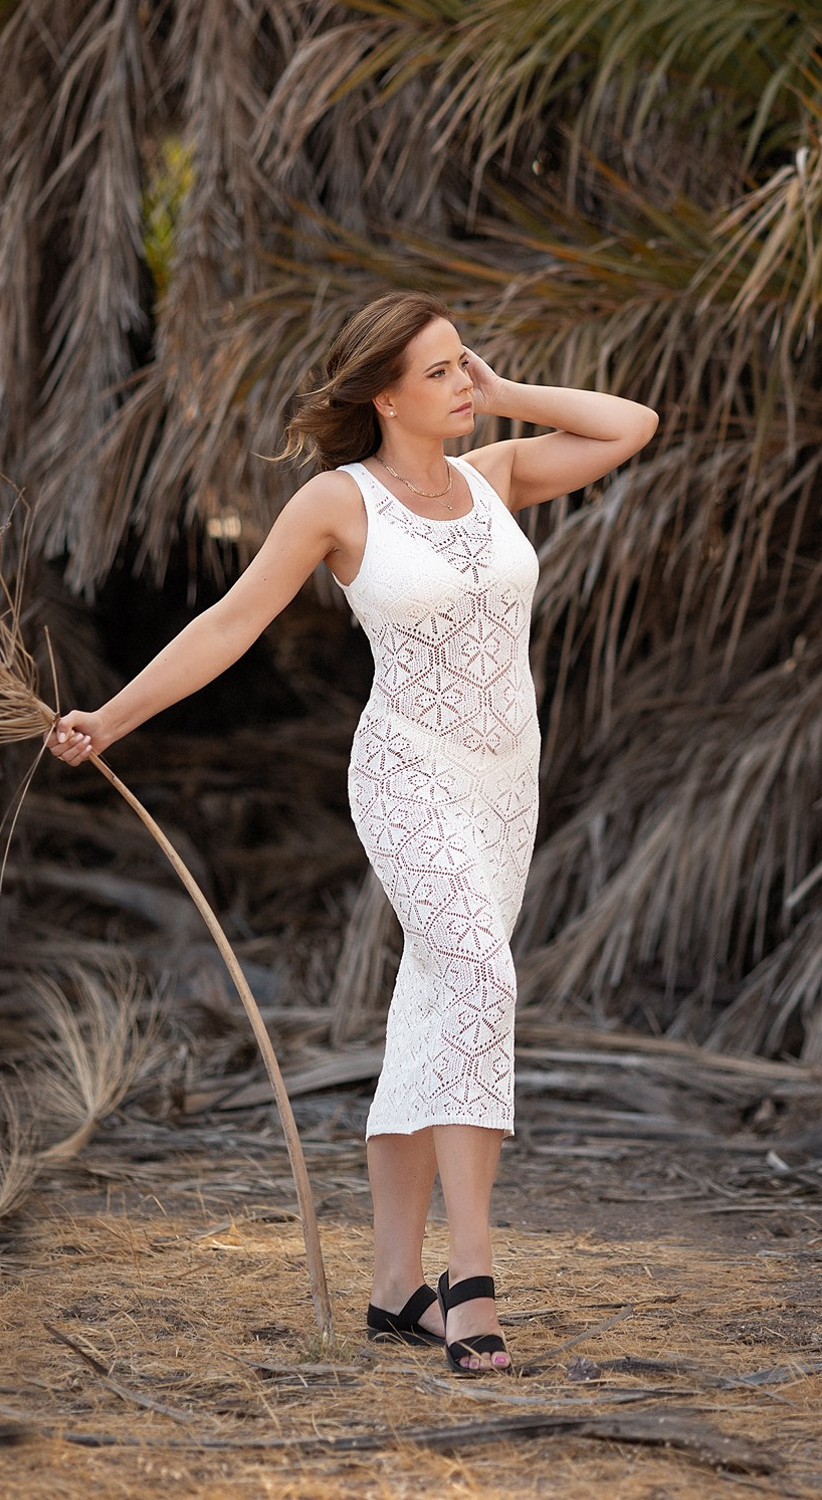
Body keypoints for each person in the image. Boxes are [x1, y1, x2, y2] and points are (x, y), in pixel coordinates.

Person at [47, 291, 658, 1372]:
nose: (463, 383)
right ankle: (470, 1277)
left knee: (434, 1008)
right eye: (440, 372)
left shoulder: (495, 475)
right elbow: (230, 622)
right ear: (383, 396)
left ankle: (391, 1290)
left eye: (464, 363)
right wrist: (114, 718)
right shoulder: (339, 502)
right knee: (482, 978)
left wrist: (505, 388)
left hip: (505, 783)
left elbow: (631, 425)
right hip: (408, 775)